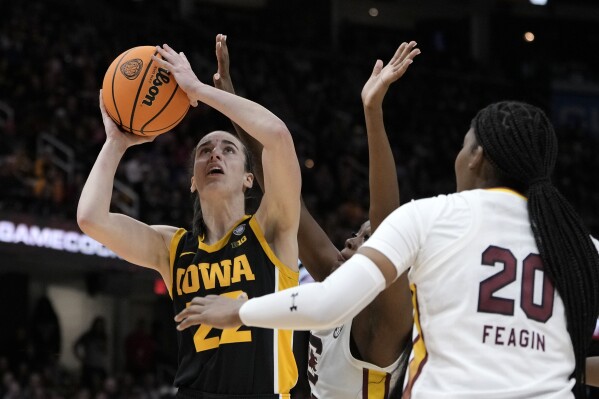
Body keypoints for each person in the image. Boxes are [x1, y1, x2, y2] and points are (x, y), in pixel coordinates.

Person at [174, 100, 599, 398]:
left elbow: (378, 226)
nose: (353, 241)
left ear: (476, 156)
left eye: (367, 238)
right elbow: (288, 200)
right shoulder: (576, 244)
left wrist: (238, 310)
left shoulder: (383, 313)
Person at [77, 43, 302, 398]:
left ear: (249, 178)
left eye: (228, 150)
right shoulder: (173, 247)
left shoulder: (271, 228)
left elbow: (276, 135)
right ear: (193, 182)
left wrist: (197, 90)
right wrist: (116, 143)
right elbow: (91, 218)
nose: (215, 153)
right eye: (204, 150)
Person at [211, 34, 418, 398]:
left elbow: (387, 219)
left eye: (367, 238)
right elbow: (281, 191)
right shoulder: (336, 281)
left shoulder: (386, 322)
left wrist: (372, 112)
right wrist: (231, 104)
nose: (351, 239)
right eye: (357, 232)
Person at [73, 316, 108, 391]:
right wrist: (79, 357)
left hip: (99, 365)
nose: (99, 327)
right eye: (98, 325)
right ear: (94, 325)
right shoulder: (88, 336)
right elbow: (76, 345)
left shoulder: (103, 336)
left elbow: (105, 351)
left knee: (101, 386)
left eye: (101, 326)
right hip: (89, 365)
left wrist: (103, 348)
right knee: (87, 386)